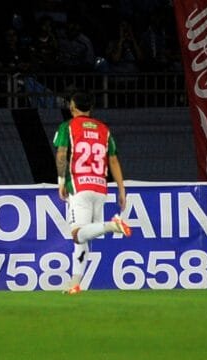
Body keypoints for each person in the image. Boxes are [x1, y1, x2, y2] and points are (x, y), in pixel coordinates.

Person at [53, 91, 132, 295]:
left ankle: (111, 225)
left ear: (72, 107)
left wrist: (61, 180)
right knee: (83, 237)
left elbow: (61, 153)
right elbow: (113, 160)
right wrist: (122, 190)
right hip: (99, 186)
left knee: (77, 233)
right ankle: (76, 282)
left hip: (79, 186)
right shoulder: (104, 129)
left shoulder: (67, 126)